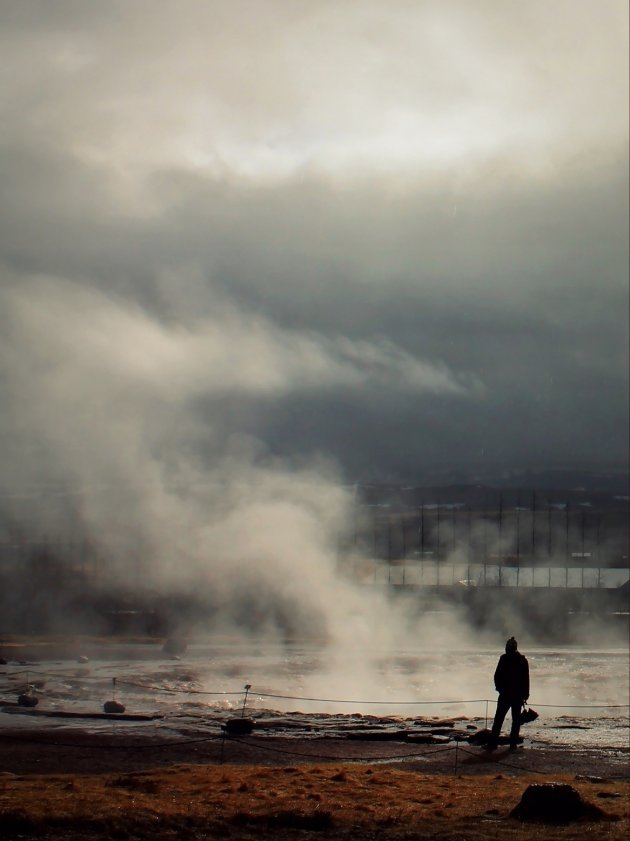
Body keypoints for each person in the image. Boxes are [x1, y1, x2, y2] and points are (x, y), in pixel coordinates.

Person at [487, 636, 529, 750]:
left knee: (499, 719)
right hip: (516, 696)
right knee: (515, 721)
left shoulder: (504, 658)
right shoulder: (522, 660)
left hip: (506, 695)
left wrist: (500, 688)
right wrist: (525, 695)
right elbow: (526, 679)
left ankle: (493, 743)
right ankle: (512, 744)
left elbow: (497, 676)